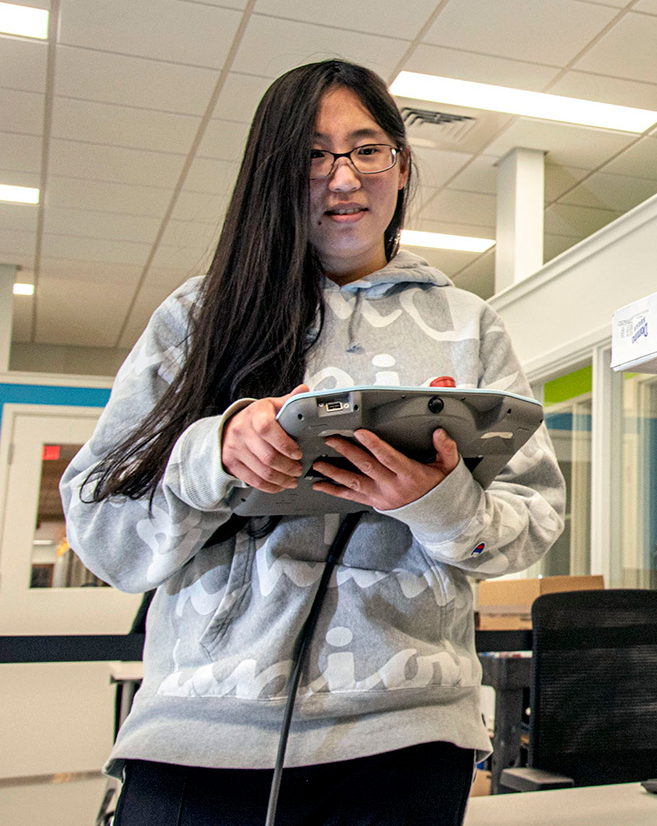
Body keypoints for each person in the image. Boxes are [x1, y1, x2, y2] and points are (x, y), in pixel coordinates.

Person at [60, 60, 566, 826]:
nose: (343, 178)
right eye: (312, 154)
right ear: (273, 173)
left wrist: (438, 504)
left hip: (409, 737)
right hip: (206, 740)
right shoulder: (198, 317)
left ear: (401, 163)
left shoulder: (469, 324)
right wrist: (218, 453)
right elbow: (104, 530)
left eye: (367, 149)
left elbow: (532, 521)